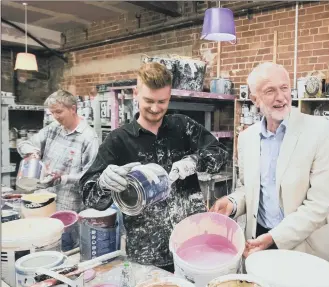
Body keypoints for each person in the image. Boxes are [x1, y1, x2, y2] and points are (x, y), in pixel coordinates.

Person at [211, 62, 329, 287]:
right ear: (254, 99)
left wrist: (273, 238)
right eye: (269, 91)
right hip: (260, 244)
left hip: (307, 249)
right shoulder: (247, 139)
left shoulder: (319, 131)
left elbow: (318, 207)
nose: (281, 97)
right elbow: (247, 189)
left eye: (284, 88)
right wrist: (233, 204)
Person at [79, 62, 228, 272]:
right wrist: (104, 183)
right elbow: (89, 196)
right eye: (149, 100)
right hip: (146, 254)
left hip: (192, 243)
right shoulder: (118, 140)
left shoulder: (182, 126)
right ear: (135, 93)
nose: (156, 108)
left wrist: (195, 161)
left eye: (162, 101)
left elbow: (220, 154)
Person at [17, 90, 99, 212]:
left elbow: (91, 176)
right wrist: (31, 152)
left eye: (59, 112)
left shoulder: (89, 138)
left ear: (73, 109)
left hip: (69, 205)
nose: (55, 117)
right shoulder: (53, 128)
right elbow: (24, 144)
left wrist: (63, 178)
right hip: (43, 199)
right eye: (52, 112)